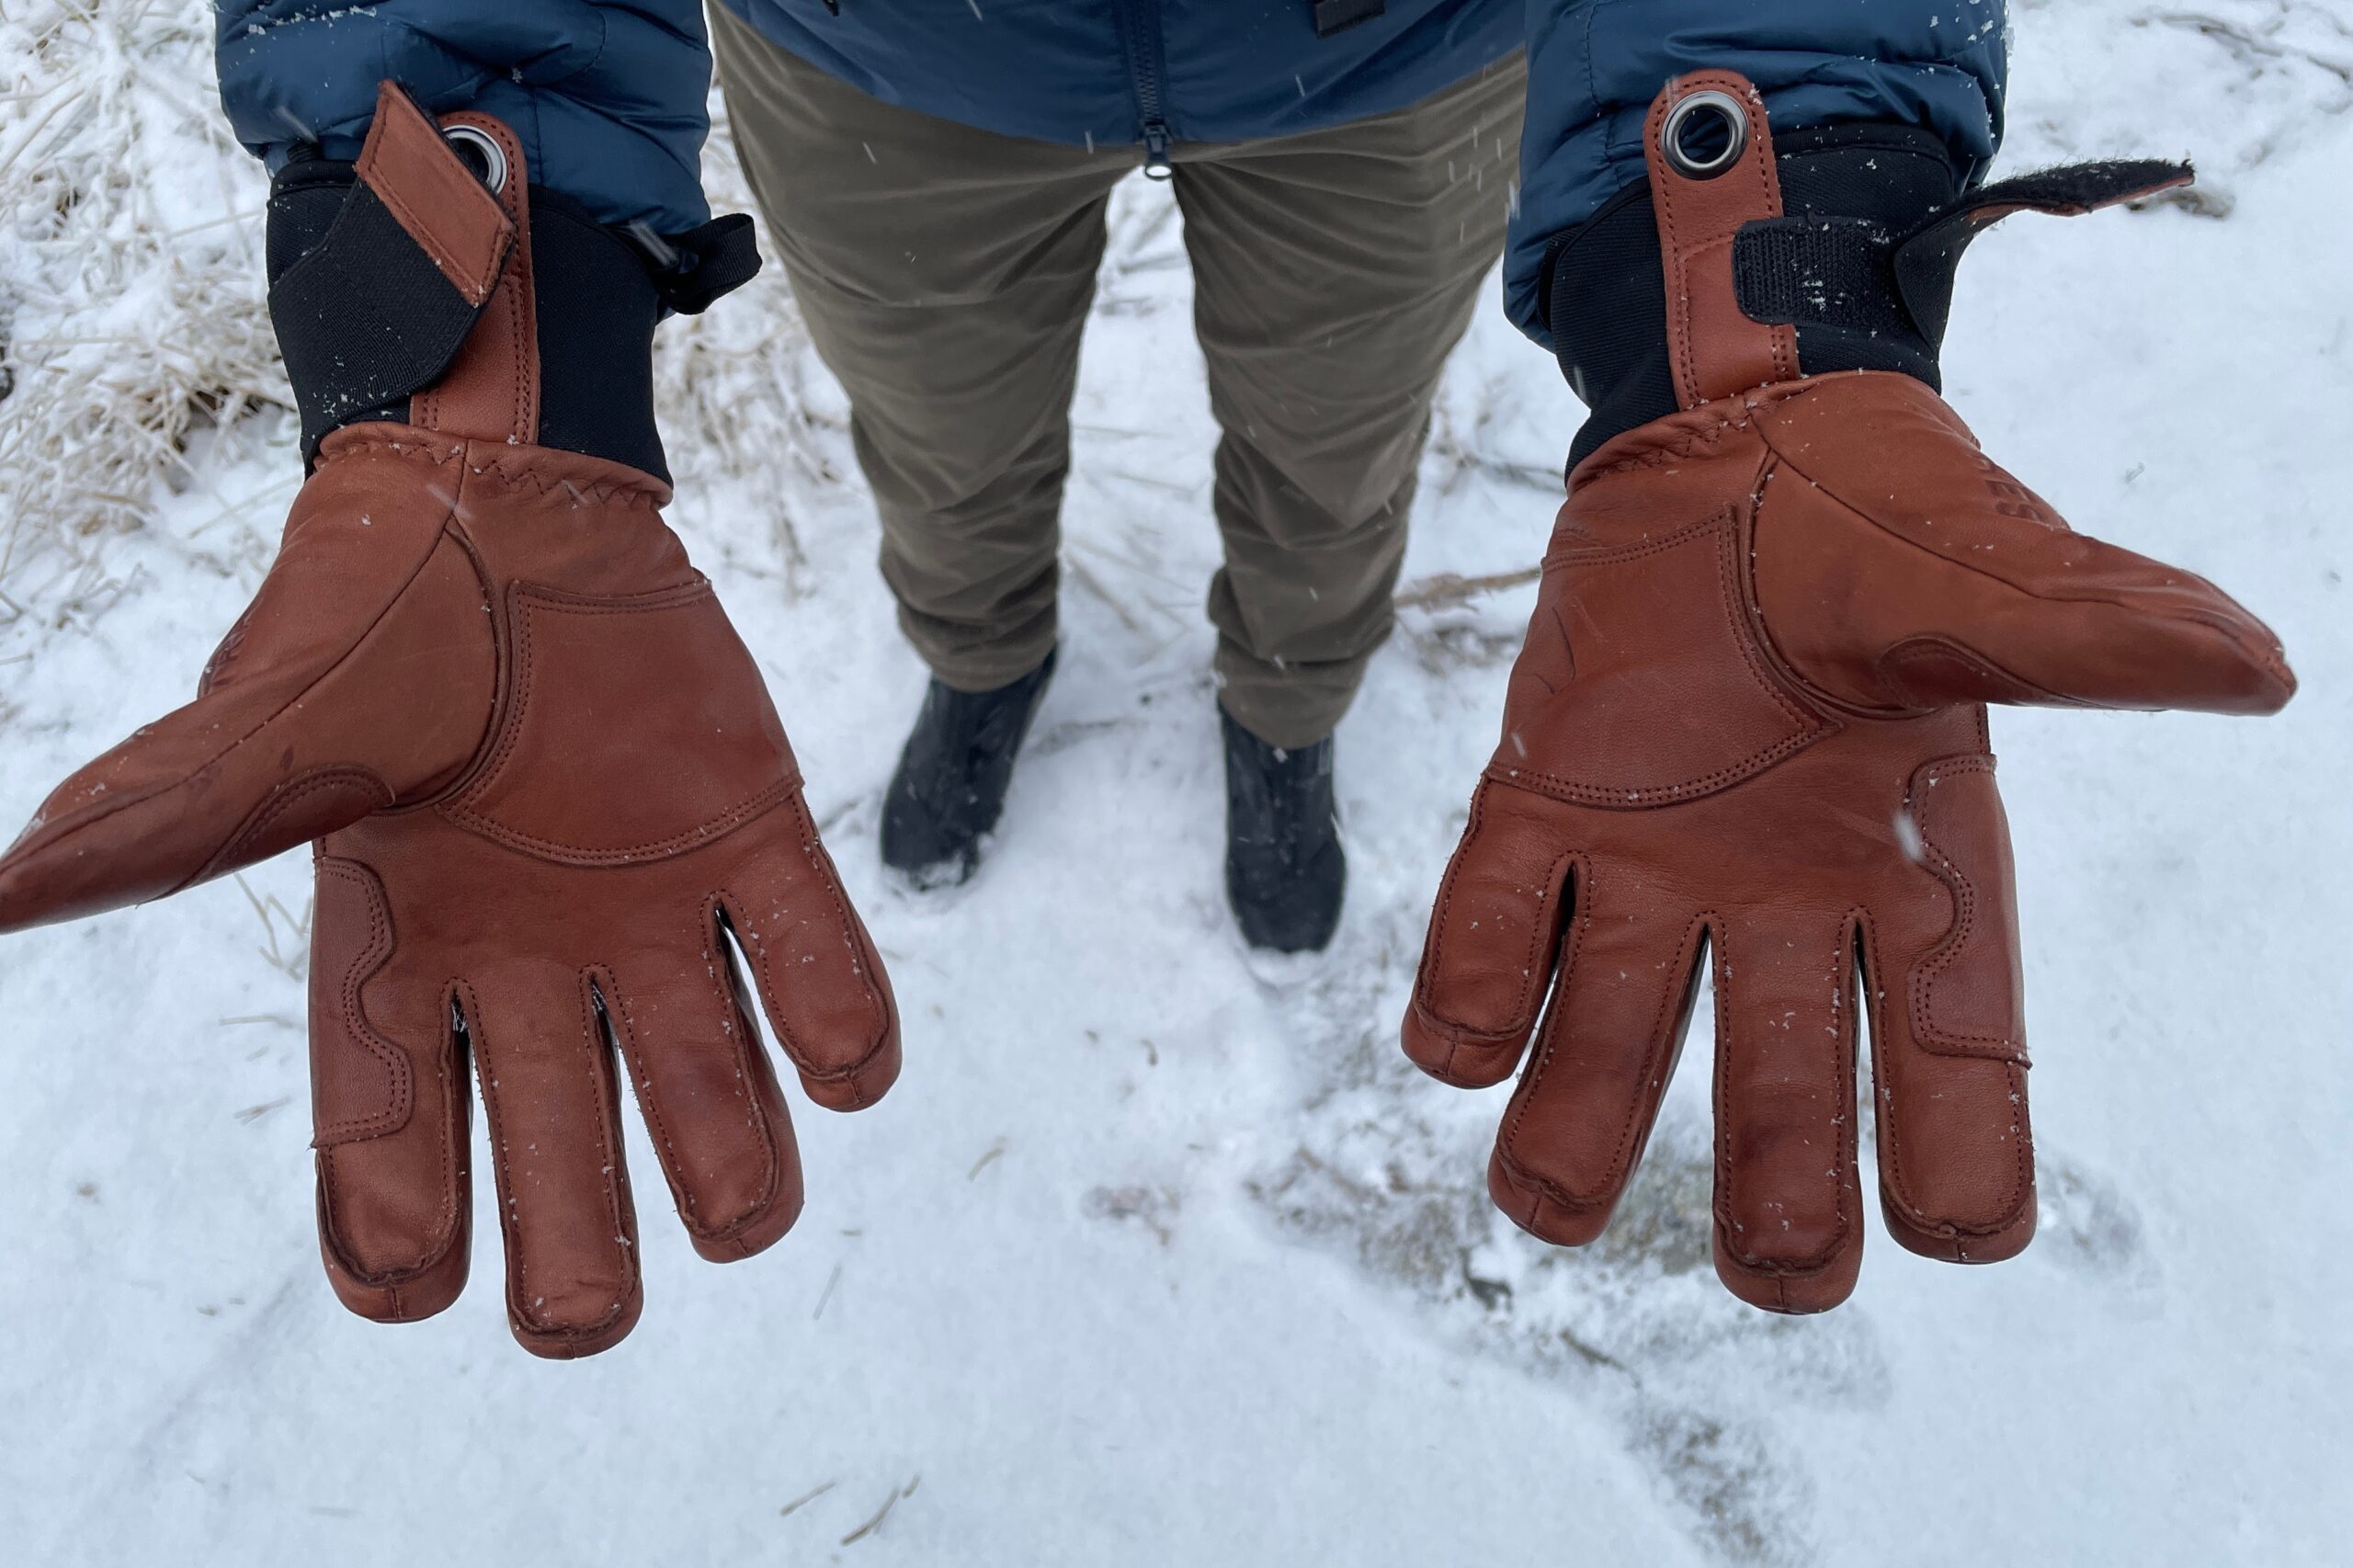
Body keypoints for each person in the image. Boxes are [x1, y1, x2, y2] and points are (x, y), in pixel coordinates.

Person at [0, 0, 2291, 1353]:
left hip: (1391, 66)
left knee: (1329, 457)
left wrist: (1763, 289)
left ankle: (1282, 705)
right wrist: (476, 361)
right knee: (944, 445)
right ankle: (979, 660)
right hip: (884, 61)